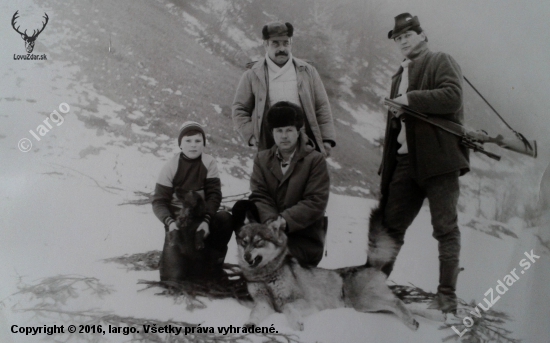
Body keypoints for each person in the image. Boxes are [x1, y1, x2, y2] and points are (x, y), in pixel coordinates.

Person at [374, 13, 470, 314]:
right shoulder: (396, 75)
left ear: (421, 35)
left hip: (439, 162)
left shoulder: (441, 59)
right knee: (390, 227)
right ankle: (373, 287)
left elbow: (452, 97)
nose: (403, 41)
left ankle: (446, 296)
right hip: (405, 162)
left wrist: (409, 100)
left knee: (445, 228)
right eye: (398, 38)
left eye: (408, 35)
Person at [239, 101, 330, 267]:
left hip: (302, 239)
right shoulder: (262, 159)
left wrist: (283, 221)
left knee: (284, 268)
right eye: (279, 131)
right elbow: (260, 194)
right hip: (268, 236)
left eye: (289, 130)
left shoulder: (315, 160)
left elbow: (315, 201)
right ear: (272, 133)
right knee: (242, 207)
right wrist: (270, 221)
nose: (284, 136)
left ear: (298, 131)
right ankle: (249, 255)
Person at [232, 21, 336, 157]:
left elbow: (322, 106)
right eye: (275, 43)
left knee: (307, 177)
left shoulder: (307, 71)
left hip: (305, 143)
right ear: (265, 44)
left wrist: (326, 139)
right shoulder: (252, 75)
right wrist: (251, 135)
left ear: (291, 43)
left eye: (286, 43)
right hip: (270, 145)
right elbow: (240, 109)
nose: (282, 48)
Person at [152, 121, 233, 281]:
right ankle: (178, 260)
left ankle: (214, 265)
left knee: (225, 218)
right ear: (180, 144)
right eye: (188, 141)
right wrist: (170, 223)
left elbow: (214, 195)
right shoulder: (170, 166)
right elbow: (158, 201)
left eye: (198, 141)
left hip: (202, 219)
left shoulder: (209, 163)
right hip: (179, 222)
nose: (193, 145)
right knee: (173, 279)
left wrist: (207, 220)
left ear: (203, 144)